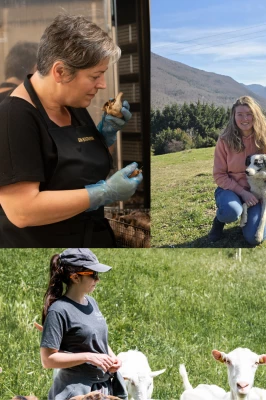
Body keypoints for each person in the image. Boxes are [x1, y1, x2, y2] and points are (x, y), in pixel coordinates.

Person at [0, 14, 142, 247]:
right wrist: (105, 193)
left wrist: (105, 135)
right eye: (95, 76)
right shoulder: (13, 118)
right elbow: (22, 211)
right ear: (60, 72)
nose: (103, 84)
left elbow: (79, 163)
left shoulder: (72, 104)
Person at [40, 248, 127, 400]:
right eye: (93, 274)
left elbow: (97, 339)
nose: (97, 279)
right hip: (76, 390)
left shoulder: (91, 302)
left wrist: (113, 359)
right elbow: (47, 360)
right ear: (75, 277)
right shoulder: (59, 310)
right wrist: (89, 357)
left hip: (103, 388)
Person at [209, 96, 266, 245]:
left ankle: (248, 220)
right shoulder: (224, 140)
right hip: (230, 189)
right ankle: (220, 220)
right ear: (233, 116)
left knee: (254, 239)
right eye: (240, 114)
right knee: (230, 211)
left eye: (249, 114)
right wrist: (242, 192)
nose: (245, 118)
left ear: (256, 115)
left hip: (256, 194)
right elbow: (219, 175)